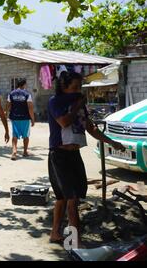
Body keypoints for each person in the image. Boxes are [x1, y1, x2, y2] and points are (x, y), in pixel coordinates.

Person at [47, 71, 125, 247]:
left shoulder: (78, 104)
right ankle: (75, 241)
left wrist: (112, 142)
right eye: (74, 87)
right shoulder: (55, 102)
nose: (78, 90)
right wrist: (78, 104)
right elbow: (64, 122)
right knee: (70, 198)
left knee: (64, 198)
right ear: (63, 87)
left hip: (74, 154)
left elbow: (90, 128)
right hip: (59, 155)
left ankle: (55, 233)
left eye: (79, 87)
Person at [6, 78, 35, 160]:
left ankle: (14, 152)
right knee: (26, 135)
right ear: (24, 84)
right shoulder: (27, 94)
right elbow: (30, 108)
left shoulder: (11, 94)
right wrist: (33, 119)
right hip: (25, 118)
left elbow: (8, 105)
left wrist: (6, 114)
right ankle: (25, 152)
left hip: (14, 117)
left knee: (15, 135)